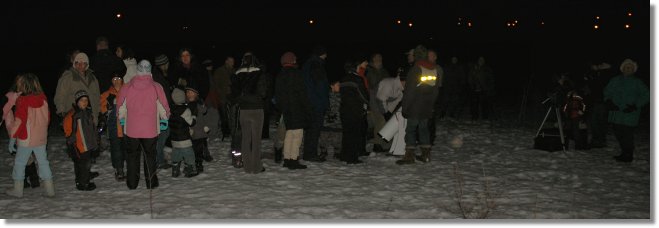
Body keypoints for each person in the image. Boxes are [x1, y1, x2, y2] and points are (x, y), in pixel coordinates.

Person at [117, 60, 170, 189]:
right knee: (150, 156)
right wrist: (165, 118)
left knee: (132, 156)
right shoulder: (156, 87)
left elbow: (121, 107)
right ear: (150, 70)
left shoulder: (127, 86)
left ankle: (132, 183)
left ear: (138, 70)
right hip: (150, 130)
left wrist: (122, 119)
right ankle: (151, 182)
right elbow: (163, 106)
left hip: (132, 130)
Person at [5, 73, 55, 197]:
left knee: (20, 163)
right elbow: (47, 118)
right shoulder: (43, 98)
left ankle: (18, 190)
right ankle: (50, 190)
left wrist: (12, 138)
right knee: (43, 162)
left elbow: (19, 122)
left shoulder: (22, 100)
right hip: (41, 137)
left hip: (26, 139)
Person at [55, 52, 102, 164]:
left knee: (90, 145)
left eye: (83, 63)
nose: (81, 66)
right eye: (78, 63)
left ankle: (87, 172)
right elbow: (59, 96)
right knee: (78, 148)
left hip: (90, 118)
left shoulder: (93, 78)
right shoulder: (68, 77)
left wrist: (99, 112)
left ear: (87, 64)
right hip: (75, 118)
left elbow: (97, 97)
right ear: (74, 64)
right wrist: (62, 113)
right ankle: (81, 177)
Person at [397, 45, 440, 165]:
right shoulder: (433, 69)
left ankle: (409, 156)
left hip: (415, 107)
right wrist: (431, 105)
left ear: (416, 56)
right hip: (426, 107)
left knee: (410, 130)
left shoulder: (416, 69)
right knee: (424, 130)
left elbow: (409, 91)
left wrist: (405, 108)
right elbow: (436, 90)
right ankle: (426, 155)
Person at [603, 59, 649, 162]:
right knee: (618, 133)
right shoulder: (615, 80)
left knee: (627, 135)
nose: (628, 69)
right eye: (626, 67)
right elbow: (607, 91)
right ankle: (624, 152)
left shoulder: (637, 82)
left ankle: (628, 155)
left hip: (630, 113)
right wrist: (609, 101)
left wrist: (636, 105)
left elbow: (647, 95)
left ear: (634, 70)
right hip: (616, 112)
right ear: (622, 69)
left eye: (630, 68)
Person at [230, 52, 267, 173]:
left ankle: (247, 167)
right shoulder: (260, 72)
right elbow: (263, 92)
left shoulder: (237, 73)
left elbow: (234, 93)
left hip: (244, 109)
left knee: (245, 139)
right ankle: (256, 167)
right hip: (256, 109)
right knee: (256, 140)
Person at [275, 52, 311, 169]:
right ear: (292, 61)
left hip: (286, 109)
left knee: (289, 133)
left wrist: (282, 107)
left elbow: (278, 94)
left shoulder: (280, 75)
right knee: (297, 134)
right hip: (297, 108)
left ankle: (287, 158)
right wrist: (307, 107)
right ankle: (293, 159)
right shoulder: (296, 74)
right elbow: (302, 93)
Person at [2, 80, 40, 189]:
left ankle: (33, 179)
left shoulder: (29, 96)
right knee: (21, 156)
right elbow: (5, 114)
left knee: (27, 155)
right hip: (15, 131)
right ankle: (25, 180)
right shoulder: (9, 98)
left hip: (27, 130)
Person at [64, 90, 99, 191]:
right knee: (83, 164)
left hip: (87, 144)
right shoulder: (73, 115)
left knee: (83, 163)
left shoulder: (87, 113)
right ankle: (84, 183)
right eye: (82, 100)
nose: (84, 102)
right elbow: (68, 128)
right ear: (77, 102)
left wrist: (95, 140)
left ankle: (81, 180)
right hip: (79, 145)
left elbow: (91, 129)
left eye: (86, 100)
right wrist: (71, 140)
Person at [339, 55, 370, 164]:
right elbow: (363, 96)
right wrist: (368, 104)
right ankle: (352, 157)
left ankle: (344, 154)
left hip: (344, 109)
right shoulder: (357, 79)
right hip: (356, 110)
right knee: (355, 133)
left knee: (347, 133)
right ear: (355, 67)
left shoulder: (343, 79)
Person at [302, 46, 329, 162]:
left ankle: (309, 153)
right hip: (316, 102)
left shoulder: (308, 64)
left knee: (310, 130)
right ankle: (310, 154)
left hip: (309, 101)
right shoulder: (316, 65)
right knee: (314, 130)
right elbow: (320, 86)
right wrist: (324, 101)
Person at [186, 83, 218, 172]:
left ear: (196, 94)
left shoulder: (199, 104)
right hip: (193, 131)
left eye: (191, 92)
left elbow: (205, 115)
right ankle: (196, 161)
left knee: (199, 148)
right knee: (194, 147)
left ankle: (199, 163)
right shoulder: (187, 105)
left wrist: (207, 126)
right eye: (187, 92)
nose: (189, 94)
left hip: (200, 130)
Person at [583, 61, 615, 148]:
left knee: (601, 121)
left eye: (601, 65)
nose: (597, 66)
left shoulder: (608, 74)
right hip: (594, 101)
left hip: (603, 101)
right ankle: (596, 140)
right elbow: (590, 86)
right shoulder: (594, 74)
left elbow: (602, 86)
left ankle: (601, 141)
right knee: (594, 121)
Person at [100, 76, 126, 181]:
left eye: (119, 79)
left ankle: (130, 168)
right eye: (114, 79)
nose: (117, 81)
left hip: (127, 127)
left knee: (126, 148)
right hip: (113, 127)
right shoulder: (107, 94)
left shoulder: (128, 91)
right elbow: (102, 109)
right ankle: (119, 169)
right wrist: (108, 108)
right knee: (116, 149)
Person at [168, 88, 199, 178]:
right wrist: (194, 116)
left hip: (174, 139)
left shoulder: (170, 110)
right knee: (189, 154)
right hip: (184, 138)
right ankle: (191, 169)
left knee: (176, 154)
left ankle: (175, 170)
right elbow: (191, 123)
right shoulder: (185, 110)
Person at [152, 54, 174, 169]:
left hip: (163, 111)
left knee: (164, 134)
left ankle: (158, 158)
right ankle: (158, 160)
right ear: (163, 65)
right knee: (162, 135)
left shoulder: (161, 76)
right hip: (160, 112)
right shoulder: (158, 78)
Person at [377, 72, 406, 155]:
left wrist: (389, 112)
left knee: (387, 121)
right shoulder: (388, 83)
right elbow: (381, 99)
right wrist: (385, 113)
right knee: (380, 121)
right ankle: (377, 144)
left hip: (385, 104)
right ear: (403, 81)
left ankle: (386, 144)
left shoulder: (401, 91)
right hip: (376, 102)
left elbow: (395, 102)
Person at [366, 53, 390, 153]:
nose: (379, 60)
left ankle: (380, 144)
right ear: (372, 59)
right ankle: (377, 144)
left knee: (380, 122)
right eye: (377, 58)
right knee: (379, 121)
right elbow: (372, 84)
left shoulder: (383, 70)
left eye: (380, 58)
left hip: (383, 100)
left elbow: (388, 83)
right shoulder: (370, 70)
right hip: (373, 99)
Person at [212, 56, 235, 140]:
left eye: (233, 61)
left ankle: (232, 131)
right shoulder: (219, 71)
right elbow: (216, 85)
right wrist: (221, 94)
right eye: (231, 61)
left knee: (233, 115)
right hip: (222, 97)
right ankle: (225, 132)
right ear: (226, 61)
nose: (232, 63)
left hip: (232, 97)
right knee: (224, 116)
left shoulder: (234, 71)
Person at [319, 80, 343, 160]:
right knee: (324, 136)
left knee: (337, 137)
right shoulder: (327, 95)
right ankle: (323, 152)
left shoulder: (341, 96)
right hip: (327, 120)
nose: (339, 86)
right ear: (332, 86)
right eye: (337, 85)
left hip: (338, 120)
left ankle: (337, 153)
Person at [467, 56, 495, 121]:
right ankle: (474, 117)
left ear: (484, 61)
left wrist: (489, 88)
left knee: (484, 104)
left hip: (484, 90)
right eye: (480, 60)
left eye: (482, 60)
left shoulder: (487, 69)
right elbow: (470, 78)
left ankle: (485, 117)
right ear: (478, 60)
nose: (481, 61)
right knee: (474, 104)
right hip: (475, 89)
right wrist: (472, 86)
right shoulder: (473, 68)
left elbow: (491, 79)